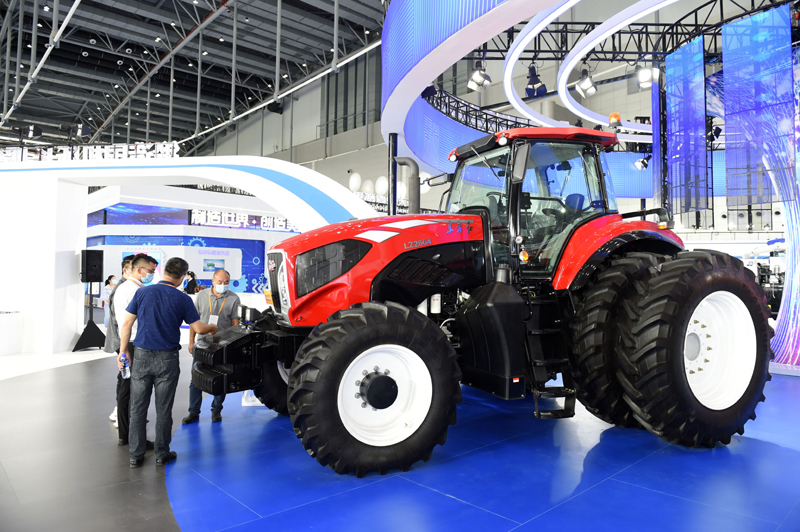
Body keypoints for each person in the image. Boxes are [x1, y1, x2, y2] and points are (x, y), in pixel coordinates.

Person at [118, 257, 218, 468]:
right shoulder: (182, 298)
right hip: (167, 359)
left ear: (163, 271)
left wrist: (123, 351)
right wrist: (212, 328)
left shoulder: (142, 292)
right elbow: (199, 328)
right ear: (182, 277)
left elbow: (126, 324)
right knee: (164, 409)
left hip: (141, 356)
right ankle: (161, 453)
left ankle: (135, 455)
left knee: (137, 408)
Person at [183, 269, 240, 424]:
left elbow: (235, 324)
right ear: (213, 281)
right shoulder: (201, 296)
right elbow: (194, 321)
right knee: (195, 379)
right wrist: (191, 341)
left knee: (221, 379)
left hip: (222, 345)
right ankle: (193, 411)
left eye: (226, 282)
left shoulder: (234, 298)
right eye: (220, 282)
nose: (223, 285)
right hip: (202, 344)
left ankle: (216, 409)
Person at [114, 254, 158, 446]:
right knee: (136, 393)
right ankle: (135, 439)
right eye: (151, 271)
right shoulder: (137, 291)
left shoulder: (124, 288)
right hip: (135, 344)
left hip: (126, 343)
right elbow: (135, 322)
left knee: (126, 390)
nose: (152, 274)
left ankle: (125, 435)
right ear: (139, 270)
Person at [105, 255, 136, 427]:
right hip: (123, 340)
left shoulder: (127, 286)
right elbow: (120, 319)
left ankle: (121, 411)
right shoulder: (123, 288)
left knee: (125, 376)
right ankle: (121, 413)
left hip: (124, 339)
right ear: (125, 270)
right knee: (126, 377)